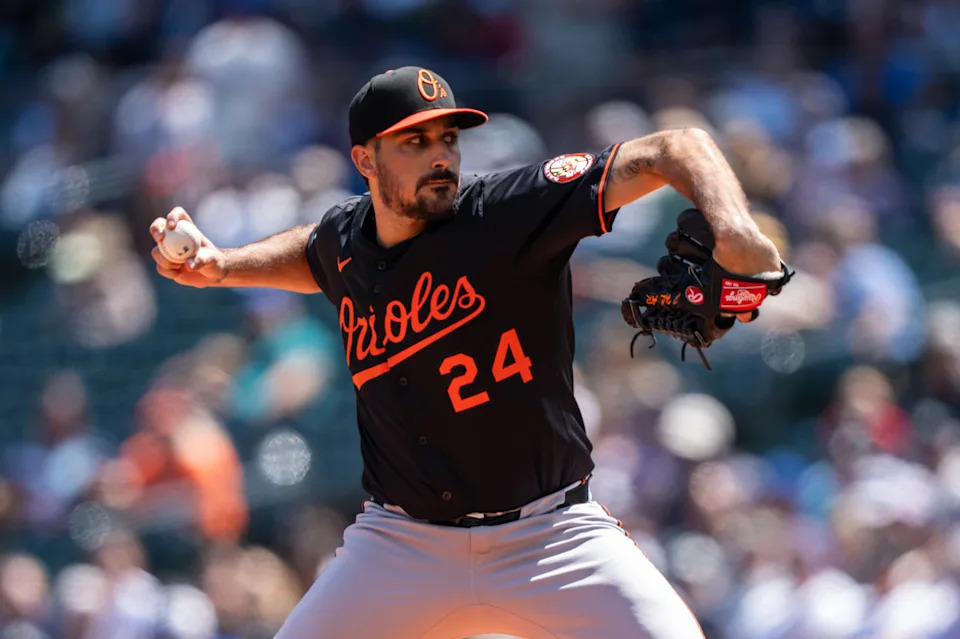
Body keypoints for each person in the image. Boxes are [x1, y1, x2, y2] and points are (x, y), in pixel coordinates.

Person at [150, 66, 781, 638]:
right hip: (400, 544)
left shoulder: (507, 210)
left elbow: (677, 147)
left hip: (550, 537)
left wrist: (736, 228)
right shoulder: (347, 239)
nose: (441, 157)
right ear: (365, 160)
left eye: (448, 138)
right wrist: (222, 265)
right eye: (415, 143)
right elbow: (316, 253)